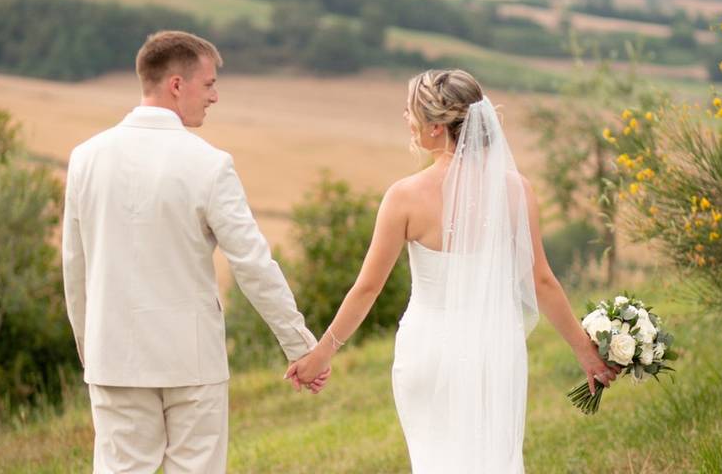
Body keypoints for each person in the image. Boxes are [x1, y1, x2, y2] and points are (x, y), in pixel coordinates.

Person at [287, 69, 618, 472]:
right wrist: (587, 353)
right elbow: (542, 281)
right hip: (496, 351)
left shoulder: (404, 197)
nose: (406, 121)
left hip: (428, 351)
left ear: (437, 128)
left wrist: (322, 353)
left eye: (413, 114)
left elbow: (368, 288)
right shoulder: (516, 191)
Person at [62, 30, 327, 474]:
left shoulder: (85, 158)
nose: (216, 96)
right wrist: (299, 344)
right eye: (209, 84)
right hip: (191, 361)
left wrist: (93, 350)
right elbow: (253, 264)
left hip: (114, 359)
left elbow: (75, 269)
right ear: (176, 85)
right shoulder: (209, 164)